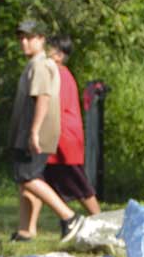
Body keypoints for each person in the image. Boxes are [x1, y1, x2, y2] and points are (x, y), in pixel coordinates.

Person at [9, 19, 85, 242]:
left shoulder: (41, 65)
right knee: (24, 179)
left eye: (29, 37)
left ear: (41, 39)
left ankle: (69, 217)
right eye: (21, 37)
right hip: (28, 131)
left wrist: (34, 131)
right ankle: (26, 229)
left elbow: (42, 98)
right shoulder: (35, 63)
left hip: (34, 132)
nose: (24, 42)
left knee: (28, 177)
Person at [30, 35, 100, 220]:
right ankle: (30, 228)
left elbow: (52, 105)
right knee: (40, 180)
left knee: (79, 184)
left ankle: (101, 219)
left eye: (50, 49)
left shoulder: (57, 73)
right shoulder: (63, 73)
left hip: (63, 138)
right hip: (61, 136)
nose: (46, 52)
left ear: (60, 55)